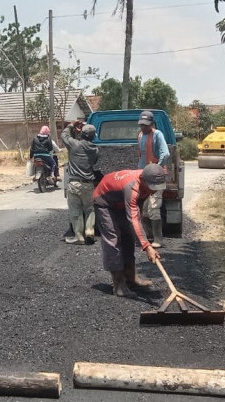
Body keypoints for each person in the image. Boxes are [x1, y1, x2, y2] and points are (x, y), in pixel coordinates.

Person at [93, 163, 164, 298]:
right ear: (143, 180)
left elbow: (138, 212)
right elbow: (133, 218)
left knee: (128, 237)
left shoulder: (148, 181)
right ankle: (119, 286)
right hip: (105, 203)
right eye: (152, 187)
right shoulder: (132, 187)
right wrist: (146, 246)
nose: (154, 191)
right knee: (113, 239)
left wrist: (140, 236)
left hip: (120, 203)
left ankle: (131, 279)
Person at [136, 110, 170, 248]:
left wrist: (157, 167)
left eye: (146, 125)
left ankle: (158, 239)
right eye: (141, 125)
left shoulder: (157, 134)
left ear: (151, 124)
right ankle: (148, 236)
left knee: (154, 208)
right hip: (144, 178)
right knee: (144, 210)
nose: (143, 127)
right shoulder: (140, 136)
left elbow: (165, 153)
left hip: (156, 178)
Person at [61, 121, 98, 244]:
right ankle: (89, 231)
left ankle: (79, 237)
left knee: (75, 210)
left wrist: (71, 125)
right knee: (90, 209)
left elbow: (64, 136)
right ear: (93, 136)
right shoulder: (95, 150)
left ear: (82, 134)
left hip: (74, 183)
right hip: (88, 184)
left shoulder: (74, 145)